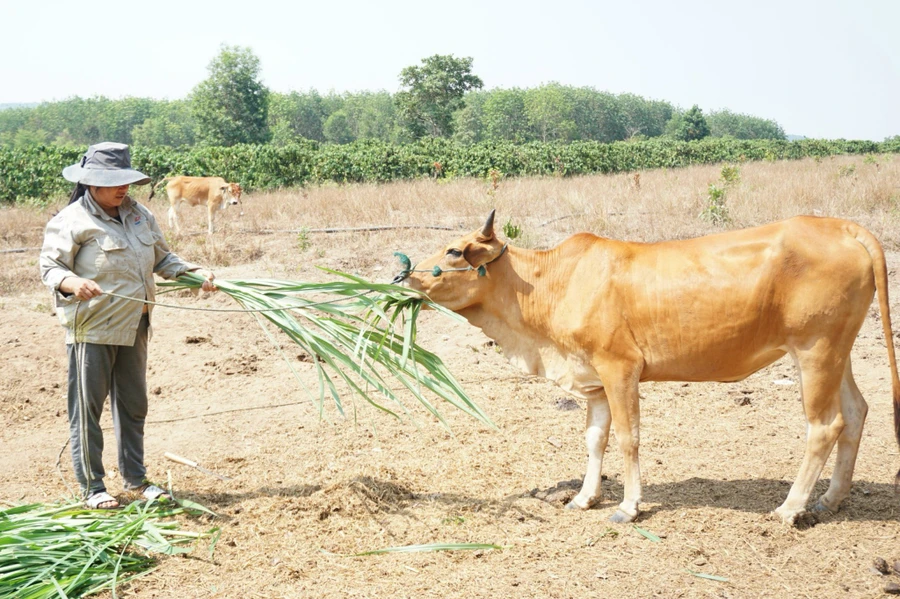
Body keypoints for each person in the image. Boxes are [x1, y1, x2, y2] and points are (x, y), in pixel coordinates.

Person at [39, 142, 218, 509]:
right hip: (94, 326)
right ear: (91, 182)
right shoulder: (72, 220)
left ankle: (136, 480)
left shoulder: (139, 215)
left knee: (133, 405)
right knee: (87, 407)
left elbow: (162, 258)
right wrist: (73, 283)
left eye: (126, 181)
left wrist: (192, 271)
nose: (123, 188)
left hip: (135, 325)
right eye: (114, 181)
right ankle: (93, 487)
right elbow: (50, 268)